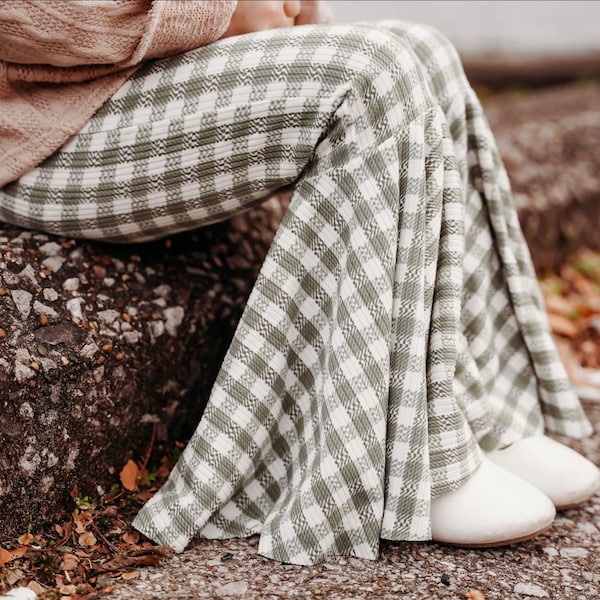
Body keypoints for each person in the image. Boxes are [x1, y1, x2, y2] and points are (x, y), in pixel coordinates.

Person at [0, 0, 598, 567]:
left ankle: (465, 410)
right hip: (36, 122)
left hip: (142, 74)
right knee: (374, 77)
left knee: (426, 49)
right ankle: (404, 465)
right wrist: (222, 11)